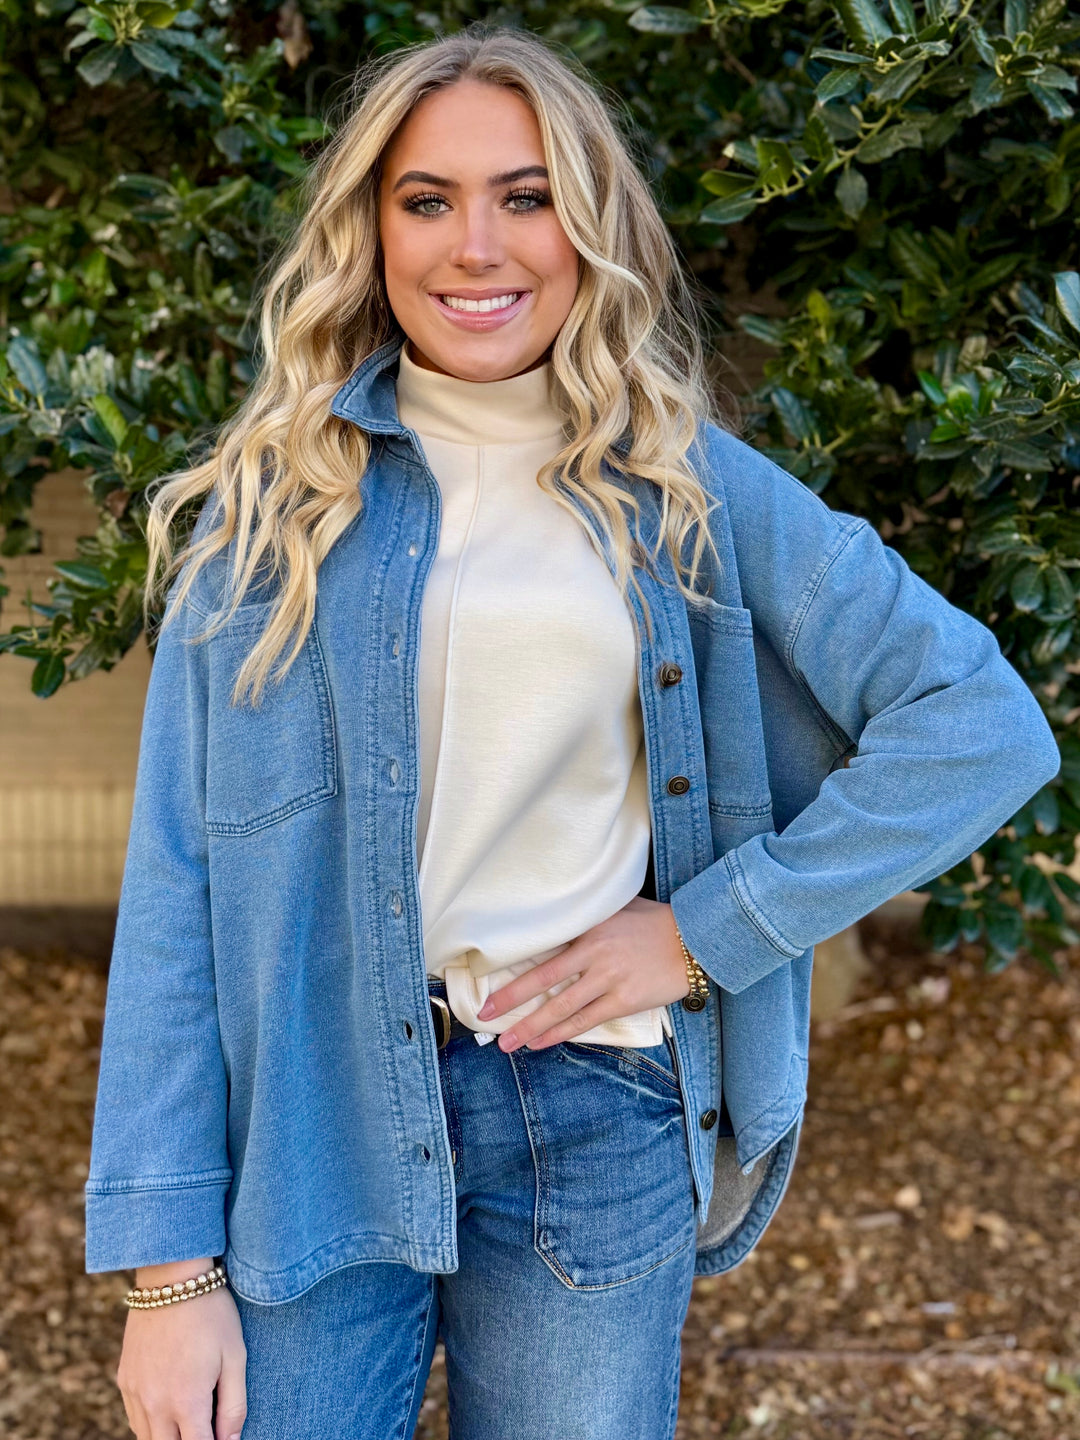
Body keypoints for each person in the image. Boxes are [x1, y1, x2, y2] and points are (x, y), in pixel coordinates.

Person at [84, 21, 1060, 1440]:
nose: (476, 246)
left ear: (588, 227)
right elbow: (180, 893)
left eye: (526, 197)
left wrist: (706, 931)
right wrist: (167, 1275)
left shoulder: (689, 490)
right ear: (373, 233)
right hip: (313, 1122)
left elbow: (983, 727)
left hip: (595, 1117)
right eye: (429, 201)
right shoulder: (272, 514)